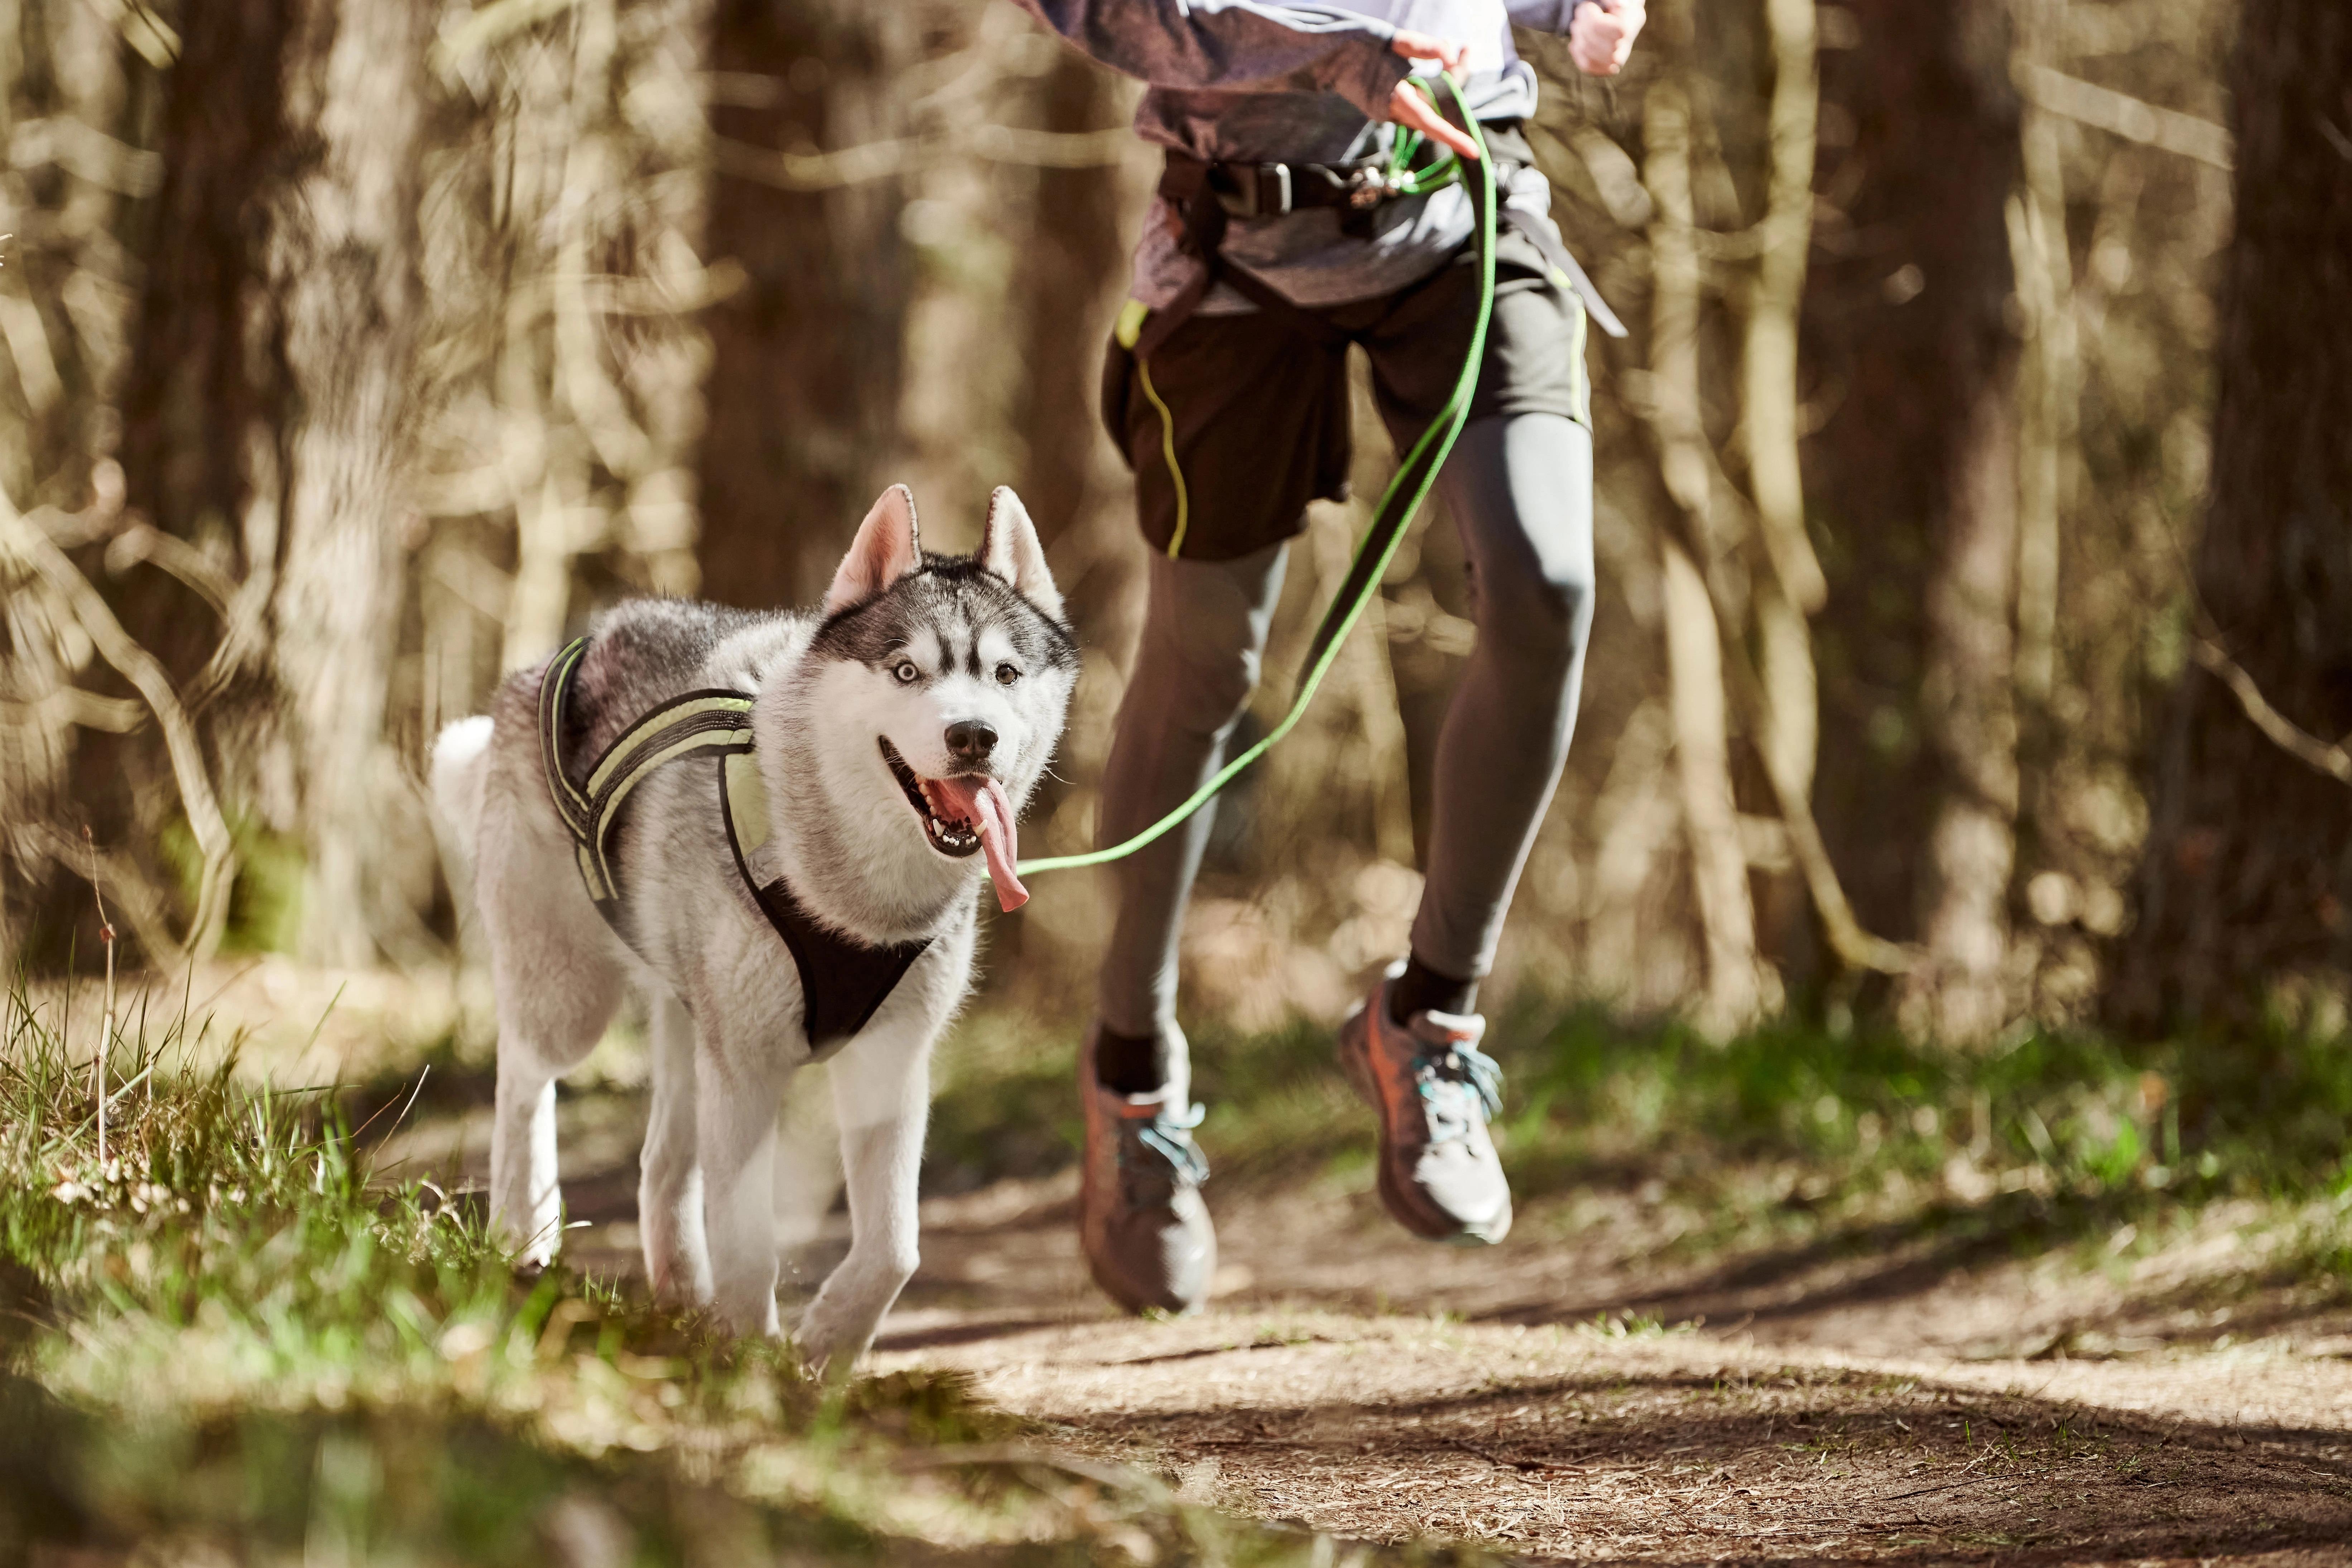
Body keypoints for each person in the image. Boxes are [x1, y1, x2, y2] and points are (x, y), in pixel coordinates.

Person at [1009, 0, 1645, 1314]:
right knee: (1206, 664)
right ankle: (1131, 1077)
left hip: (1463, 217)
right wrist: (1325, 56)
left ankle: (1431, 1024)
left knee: (1549, 586)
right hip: (1233, 249)